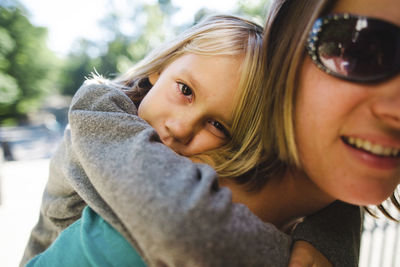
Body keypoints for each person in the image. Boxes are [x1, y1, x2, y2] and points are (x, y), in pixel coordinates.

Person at [21, 13, 363, 267]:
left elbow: (315, 188)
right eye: (185, 90)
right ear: (162, 67)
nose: (182, 128)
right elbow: (182, 224)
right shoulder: (98, 109)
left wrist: (328, 238)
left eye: (217, 125)